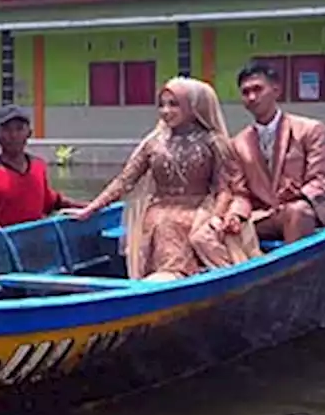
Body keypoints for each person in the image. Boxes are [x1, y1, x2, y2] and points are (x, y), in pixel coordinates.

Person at [62, 77, 261, 281]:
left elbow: (224, 189)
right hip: (158, 213)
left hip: (197, 212)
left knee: (192, 236)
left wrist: (217, 218)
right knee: (161, 224)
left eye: (174, 104)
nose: (166, 111)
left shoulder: (213, 142)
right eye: (162, 105)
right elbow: (124, 181)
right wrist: (90, 209)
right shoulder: (153, 143)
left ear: (193, 106)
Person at [231, 62, 325, 243]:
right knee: (216, 228)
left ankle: (296, 271)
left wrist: (300, 193)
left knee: (297, 212)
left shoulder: (310, 130)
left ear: (276, 90)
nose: (252, 97)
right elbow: (240, 193)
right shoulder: (238, 143)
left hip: (305, 211)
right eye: (245, 92)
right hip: (263, 216)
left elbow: (322, 180)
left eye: (257, 89)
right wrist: (235, 215)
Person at [0, 104, 83, 230]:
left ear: (29, 133)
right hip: (4, 244)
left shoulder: (38, 166)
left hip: (37, 241)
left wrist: (89, 206)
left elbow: (52, 202)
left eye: (19, 129)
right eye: (7, 130)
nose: (13, 135)